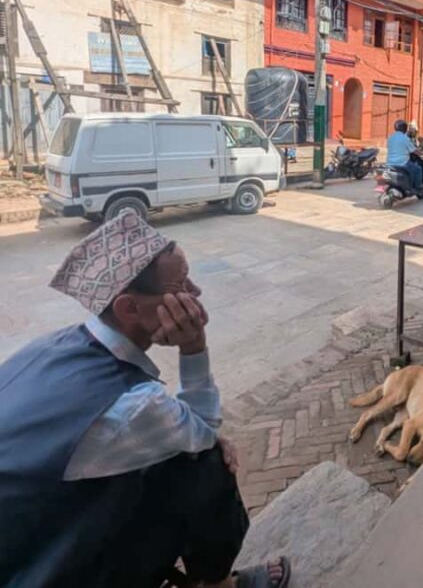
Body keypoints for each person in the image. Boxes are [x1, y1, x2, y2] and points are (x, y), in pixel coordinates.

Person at [0, 211, 291, 588]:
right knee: (207, 462)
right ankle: (217, 584)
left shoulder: (54, 345)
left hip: (28, 539)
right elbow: (202, 434)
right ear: (128, 308)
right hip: (36, 567)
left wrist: (188, 433)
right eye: (180, 284)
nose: (196, 293)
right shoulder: (133, 407)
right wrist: (194, 347)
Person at [387, 119, 423, 192]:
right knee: (418, 169)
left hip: (389, 163)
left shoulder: (390, 137)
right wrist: (421, 153)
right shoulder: (405, 138)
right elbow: (414, 150)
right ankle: (417, 187)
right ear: (405, 128)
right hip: (402, 163)